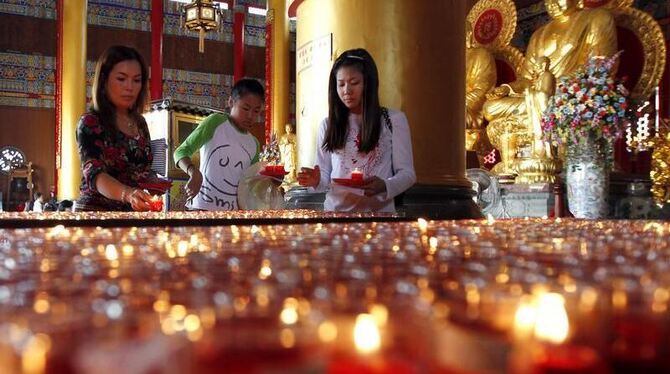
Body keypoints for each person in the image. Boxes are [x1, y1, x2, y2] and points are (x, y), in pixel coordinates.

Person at [297, 48, 416, 212]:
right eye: (341, 84)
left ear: (369, 83)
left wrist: (385, 185)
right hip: (336, 216)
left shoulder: (393, 120)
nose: (346, 90)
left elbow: (408, 174)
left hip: (379, 218)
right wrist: (316, 180)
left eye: (354, 83)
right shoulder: (328, 125)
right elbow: (325, 175)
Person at [483, 0, 616, 125]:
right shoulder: (538, 35)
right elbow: (528, 79)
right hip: (541, 97)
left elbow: (600, 67)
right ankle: (540, 112)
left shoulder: (597, 18)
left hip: (571, 95)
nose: (552, 3)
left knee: (552, 102)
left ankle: (542, 113)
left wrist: (563, 88)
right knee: (489, 108)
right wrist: (507, 88)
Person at [74, 45, 154, 211]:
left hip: (132, 213)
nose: (129, 87)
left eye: (137, 80)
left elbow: (141, 171)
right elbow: (94, 174)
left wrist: (153, 186)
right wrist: (127, 193)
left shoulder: (140, 123)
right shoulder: (90, 122)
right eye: (121, 79)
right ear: (104, 81)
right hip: (96, 214)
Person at [173, 78, 264, 211]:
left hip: (232, 215)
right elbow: (181, 152)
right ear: (231, 102)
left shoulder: (254, 144)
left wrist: (270, 182)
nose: (250, 116)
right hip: (201, 209)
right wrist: (194, 172)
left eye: (256, 111)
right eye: (245, 108)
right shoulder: (215, 123)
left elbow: (250, 182)